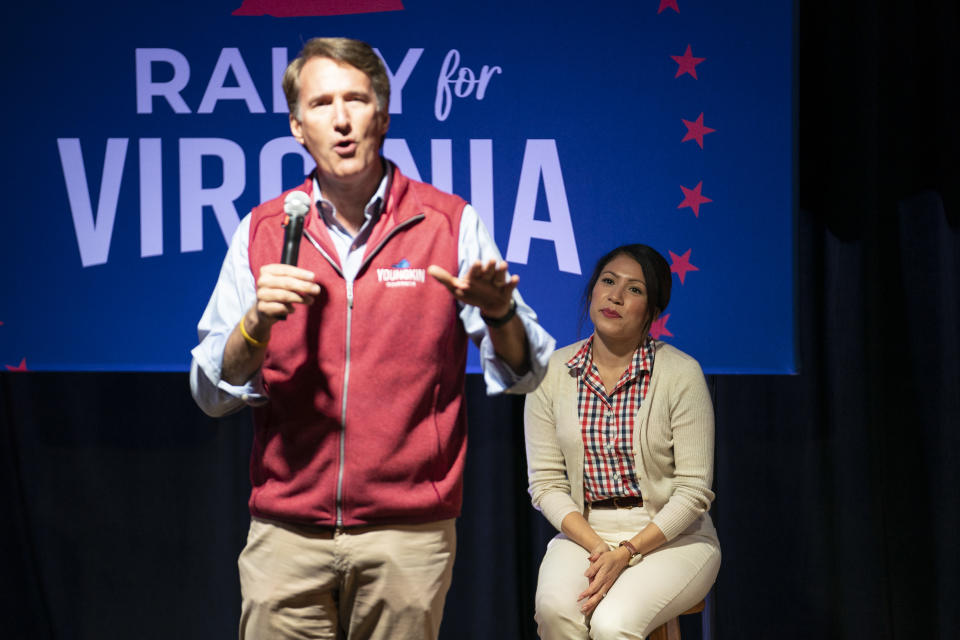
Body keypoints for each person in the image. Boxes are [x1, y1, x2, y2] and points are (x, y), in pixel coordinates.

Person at [189, 37, 554, 640]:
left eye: (356, 99)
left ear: (381, 116)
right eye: (321, 103)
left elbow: (531, 369)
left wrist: (499, 314)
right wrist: (255, 324)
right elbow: (210, 390)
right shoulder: (261, 230)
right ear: (297, 126)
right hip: (286, 535)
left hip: (406, 536)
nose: (340, 118)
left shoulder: (449, 222)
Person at [523, 244, 720, 639]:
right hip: (585, 531)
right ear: (593, 291)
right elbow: (545, 484)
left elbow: (693, 492)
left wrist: (627, 551)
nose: (615, 295)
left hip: (671, 536)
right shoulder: (552, 374)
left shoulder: (681, 374)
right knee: (554, 611)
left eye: (634, 289)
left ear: (652, 310)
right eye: (608, 282)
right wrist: (599, 547)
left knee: (615, 624)